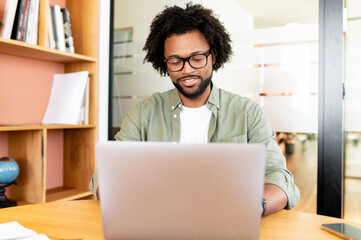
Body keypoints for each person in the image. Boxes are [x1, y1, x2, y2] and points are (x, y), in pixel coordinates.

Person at [90, 3, 300, 216]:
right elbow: (104, 176)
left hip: (226, 223)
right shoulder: (143, 112)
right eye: (175, 61)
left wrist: (254, 206)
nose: (187, 69)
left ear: (214, 56)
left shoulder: (248, 113)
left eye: (197, 58)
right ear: (165, 64)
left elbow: (279, 179)